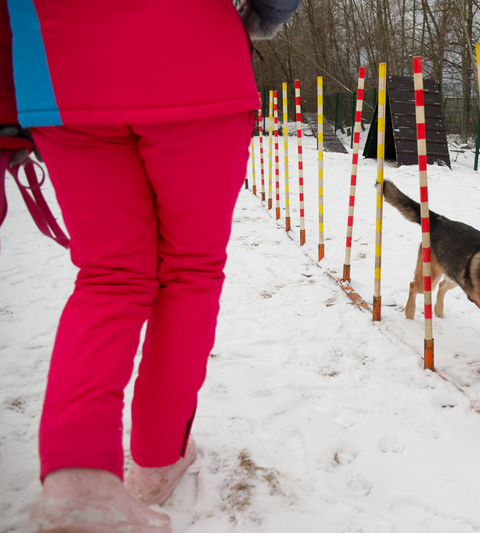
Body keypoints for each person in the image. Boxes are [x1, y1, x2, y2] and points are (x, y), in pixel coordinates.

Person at [0, 0, 299, 531]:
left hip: (61, 78)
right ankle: (159, 458)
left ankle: (79, 477)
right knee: (192, 272)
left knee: (108, 275)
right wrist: (266, 14)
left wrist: (7, 103)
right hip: (195, 62)